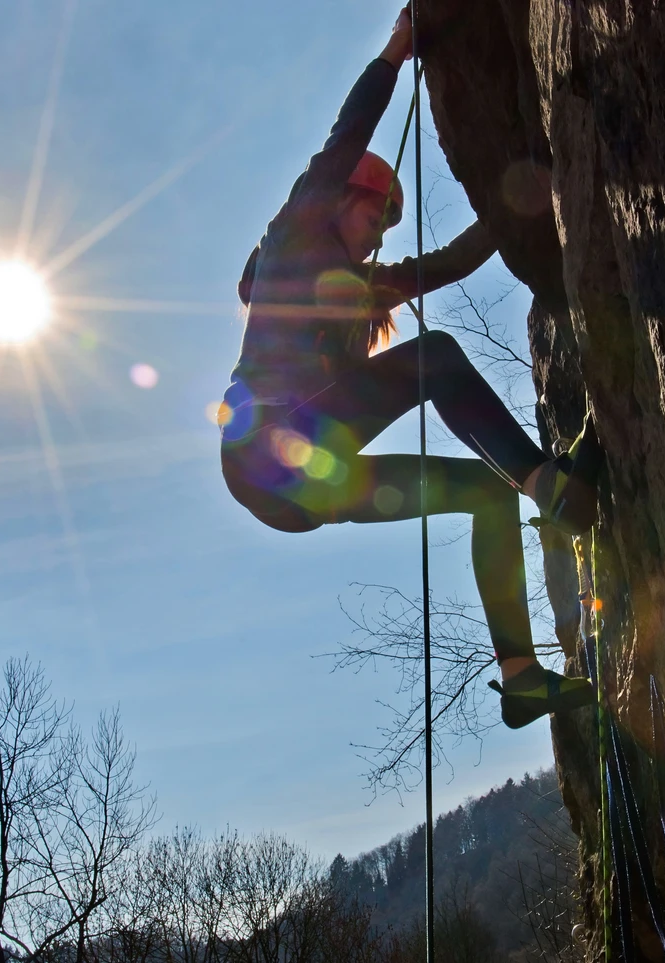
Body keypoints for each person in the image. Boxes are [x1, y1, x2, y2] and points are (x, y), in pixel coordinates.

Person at [218, 9, 598, 729]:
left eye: (386, 229)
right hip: (265, 449)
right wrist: (395, 50)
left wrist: (528, 195)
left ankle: (520, 678)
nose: (377, 238)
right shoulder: (292, 239)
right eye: (375, 218)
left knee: (486, 494)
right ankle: (548, 484)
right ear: (340, 199)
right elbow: (347, 135)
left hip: (303, 488)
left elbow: (448, 265)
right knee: (437, 358)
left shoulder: (361, 287)